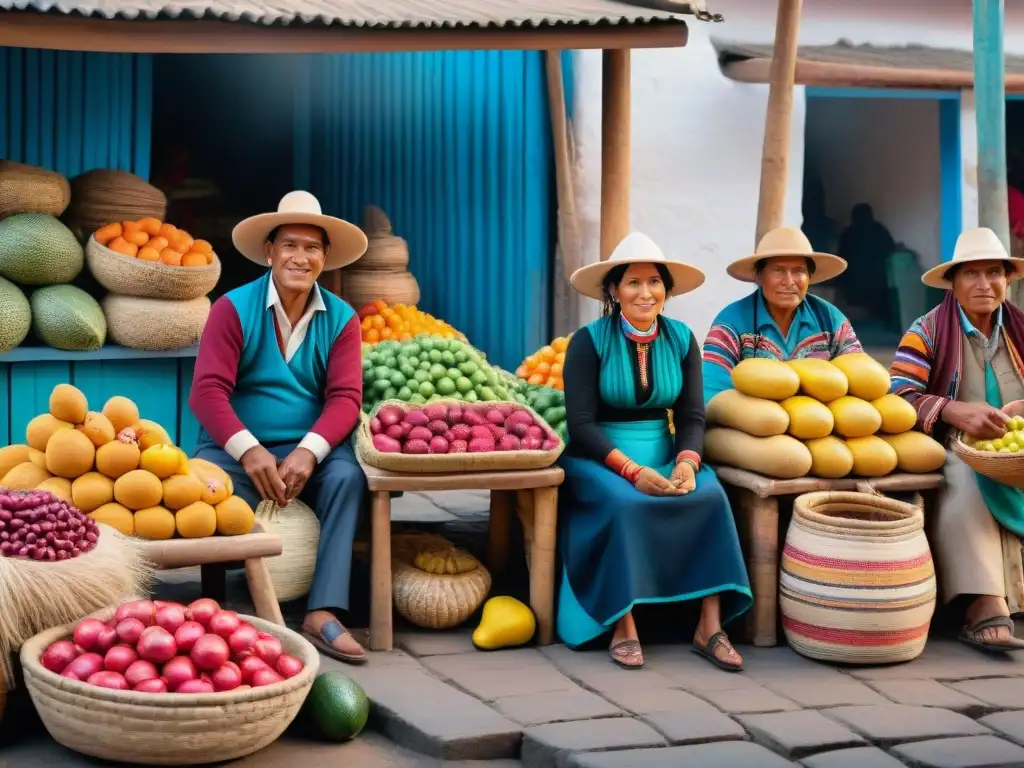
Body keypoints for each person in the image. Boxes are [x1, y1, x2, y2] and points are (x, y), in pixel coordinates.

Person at [189, 190, 371, 665]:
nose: (300, 257)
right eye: (289, 245)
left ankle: (322, 610)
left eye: (312, 248)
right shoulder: (232, 308)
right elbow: (206, 392)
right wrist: (250, 451)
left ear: (324, 258)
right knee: (206, 491)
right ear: (269, 252)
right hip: (232, 449)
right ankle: (225, 610)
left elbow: (346, 398)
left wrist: (310, 451)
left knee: (348, 478)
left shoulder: (343, 319)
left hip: (306, 448)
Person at [557, 232, 752, 672]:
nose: (645, 293)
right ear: (613, 291)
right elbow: (581, 425)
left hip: (665, 451)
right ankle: (624, 624)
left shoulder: (683, 339)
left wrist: (686, 462)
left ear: (667, 290)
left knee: (709, 497)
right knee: (625, 504)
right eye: (633, 283)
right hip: (600, 457)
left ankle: (709, 626)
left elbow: (692, 417)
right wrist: (629, 470)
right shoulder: (588, 341)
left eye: (654, 283)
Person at [889, 226, 1024, 654]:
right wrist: (952, 410)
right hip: (955, 446)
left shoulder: (1021, 328)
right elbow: (898, 396)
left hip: (1018, 449)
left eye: (994, 274)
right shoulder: (926, 330)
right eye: (972, 275)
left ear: (1007, 279)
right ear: (954, 283)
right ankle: (982, 601)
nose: (984, 285)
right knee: (964, 478)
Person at [703, 226, 863, 403]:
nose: (789, 282)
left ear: (810, 276)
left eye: (799, 271)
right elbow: (712, 391)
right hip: (752, 426)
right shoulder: (732, 321)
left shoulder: (830, 319)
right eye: (778, 270)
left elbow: (861, 378)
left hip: (822, 426)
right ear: (759, 276)